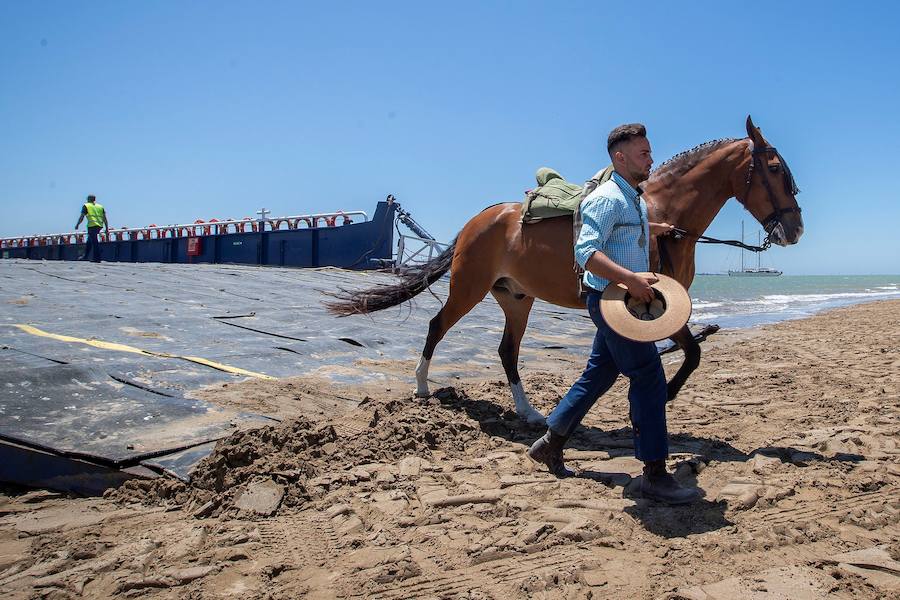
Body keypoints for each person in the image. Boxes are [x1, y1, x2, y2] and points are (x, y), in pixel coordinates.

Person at [527, 123, 700, 505]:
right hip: (611, 302)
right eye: (643, 153)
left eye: (650, 152)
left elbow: (623, 231)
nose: (651, 159)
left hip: (621, 301)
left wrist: (653, 228)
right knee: (650, 377)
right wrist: (630, 280)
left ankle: (549, 443)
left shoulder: (633, 198)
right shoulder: (606, 198)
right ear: (620, 158)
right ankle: (654, 473)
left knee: (600, 373)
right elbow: (585, 252)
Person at [75, 195, 109, 263]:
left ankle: (97, 258)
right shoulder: (100, 206)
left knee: (94, 241)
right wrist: (106, 228)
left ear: (88, 199)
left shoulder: (86, 206)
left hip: (92, 225)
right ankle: (85, 256)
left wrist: (77, 224)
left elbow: (82, 217)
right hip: (99, 225)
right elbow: (105, 218)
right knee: (89, 240)